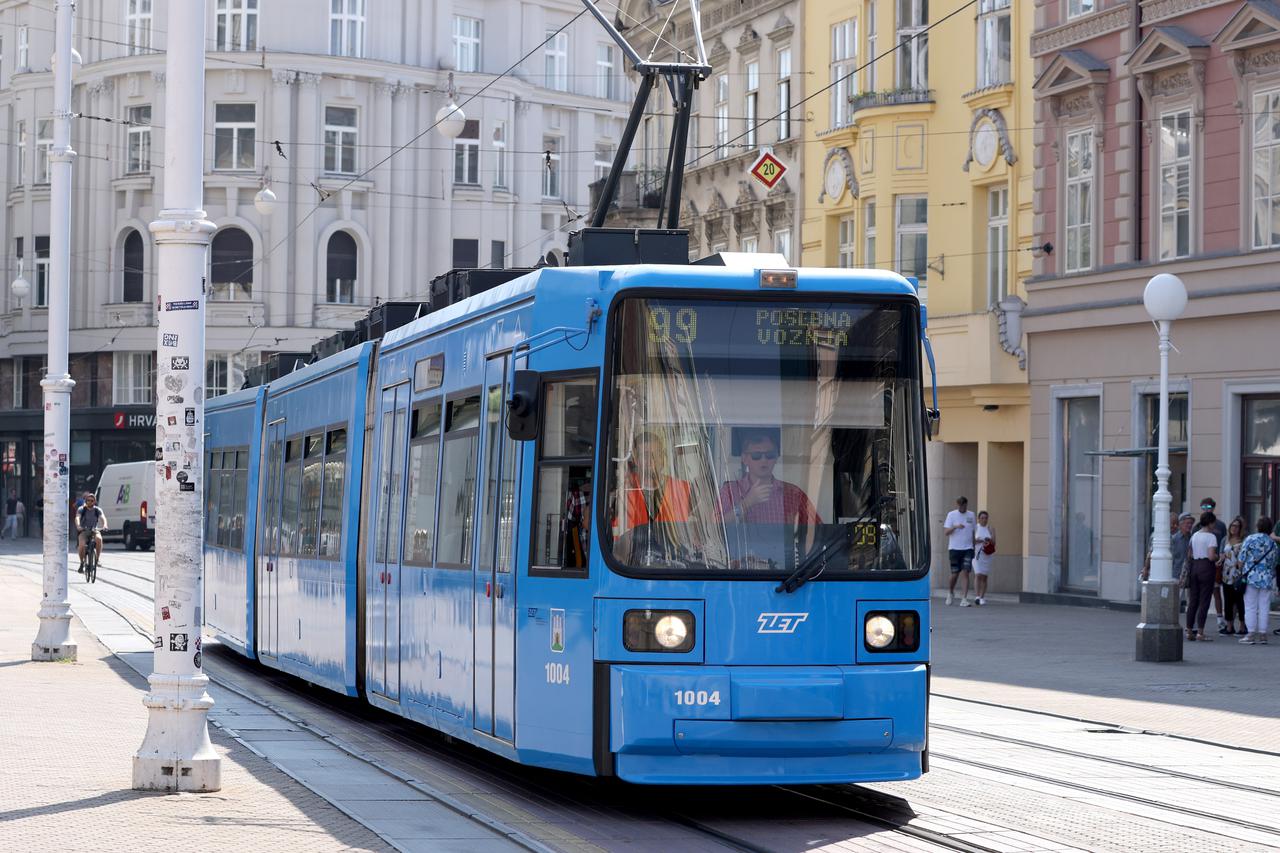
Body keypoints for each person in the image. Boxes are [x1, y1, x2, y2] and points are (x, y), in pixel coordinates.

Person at [716, 430, 820, 526]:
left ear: (776, 458)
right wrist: (746, 503)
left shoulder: (793, 493)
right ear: (744, 458)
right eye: (756, 455)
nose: (764, 460)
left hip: (782, 546)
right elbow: (715, 529)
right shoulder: (729, 491)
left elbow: (818, 530)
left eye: (770, 455)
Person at [1237, 516, 1278, 645]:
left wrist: (1241, 569)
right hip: (1266, 578)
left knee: (1250, 605)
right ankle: (1263, 634)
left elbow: (1241, 559)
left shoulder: (1250, 539)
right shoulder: (1273, 543)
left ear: (1257, 526)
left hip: (1251, 577)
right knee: (1264, 605)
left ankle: (1250, 634)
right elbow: (1274, 561)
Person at [1184, 511, 1219, 641]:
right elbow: (1211, 556)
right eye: (1213, 522)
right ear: (1210, 523)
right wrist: (1217, 557)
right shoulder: (1211, 537)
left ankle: (1188, 630)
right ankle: (1200, 632)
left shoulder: (1195, 535)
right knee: (1204, 600)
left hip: (1195, 566)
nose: (1214, 524)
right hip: (1206, 568)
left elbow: (1189, 554)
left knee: (1193, 600)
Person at [1197, 498, 1229, 631]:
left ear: (1214, 507)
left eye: (1209, 506)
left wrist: (1220, 557)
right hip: (1202, 561)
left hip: (1216, 563)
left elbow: (1224, 541)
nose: (1206, 508)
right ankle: (1196, 623)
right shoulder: (1198, 526)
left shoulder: (1220, 525)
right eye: (1203, 506)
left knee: (1216, 592)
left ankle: (1220, 619)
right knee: (1199, 595)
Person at [1217, 516, 1248, 636]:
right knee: (1228, 601)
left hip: (1238, 574)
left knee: (1240, 601)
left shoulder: (1244, 540)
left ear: (1240, 528)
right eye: (1232, 526)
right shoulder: (1225, 540)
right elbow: (1221, 554)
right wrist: (1220, 559)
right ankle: (1229, 626)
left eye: (1236, 526)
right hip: (1226, 573)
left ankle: (1242, 626)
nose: (1233, 528)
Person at [943, 497, 976, 606]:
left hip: (968, 548)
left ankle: (964, 598)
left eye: (965, 505)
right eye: (961, 505)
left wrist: (974, 547)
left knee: (966, 572)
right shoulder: (951, 515)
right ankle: (950, 592)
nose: (963, 507)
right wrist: (955, 527)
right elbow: (946, 532)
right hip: (954, 548)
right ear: (957, 505)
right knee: (955, 574)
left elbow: (973, 532)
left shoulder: (971, 515)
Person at [1140, 512, 1179, 581]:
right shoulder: (1157, 535)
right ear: (1166, 524)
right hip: (1159, 569)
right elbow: (1150, 553)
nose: (1175, 526)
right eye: (1172, 524)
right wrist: (1146, 568)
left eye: (1177, 524)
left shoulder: (1176, 536)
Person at [76, 493, 108, 573]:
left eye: (92, 500)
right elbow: (77, 517)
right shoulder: (81, 509)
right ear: (85, 501)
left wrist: (105, 525)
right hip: (84, 530)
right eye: (88, 500)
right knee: (82, 545)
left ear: (94, 501)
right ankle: (82, 563)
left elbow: (103, 517)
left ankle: (97, 559)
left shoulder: (97, 510)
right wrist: (79, 526)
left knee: (99, 539)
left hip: (94, 530)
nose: (90, 502)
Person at [971, 510, 995, 606]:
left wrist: (989, 540)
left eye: (986, 518)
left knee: (984, 576)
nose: (984, 520)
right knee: (978, 574)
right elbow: (972, 541)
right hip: (977, 555)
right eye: (982, 518)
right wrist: (980, 540)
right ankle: (977, 596)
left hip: (987, 555)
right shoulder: (975, 528)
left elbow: (994, 542)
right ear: (978, 519)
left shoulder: (990, 528)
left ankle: (982, 597)